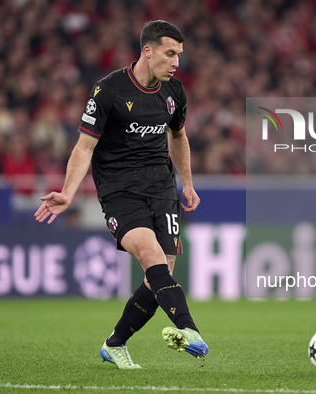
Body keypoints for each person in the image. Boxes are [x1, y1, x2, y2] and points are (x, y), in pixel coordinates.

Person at [34, 20, 208, 369]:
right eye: (170, 53)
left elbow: (178, 137)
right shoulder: (108, 91)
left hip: (161, 187)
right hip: (120, 191)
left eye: (179, 55)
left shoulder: (174, 92)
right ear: (148, 50)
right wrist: (69, 193)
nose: (177, 62)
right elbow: (84, 148)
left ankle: (115, 344)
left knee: (161, 272)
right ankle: (189, 329)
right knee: (150, 255)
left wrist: (186, 184)